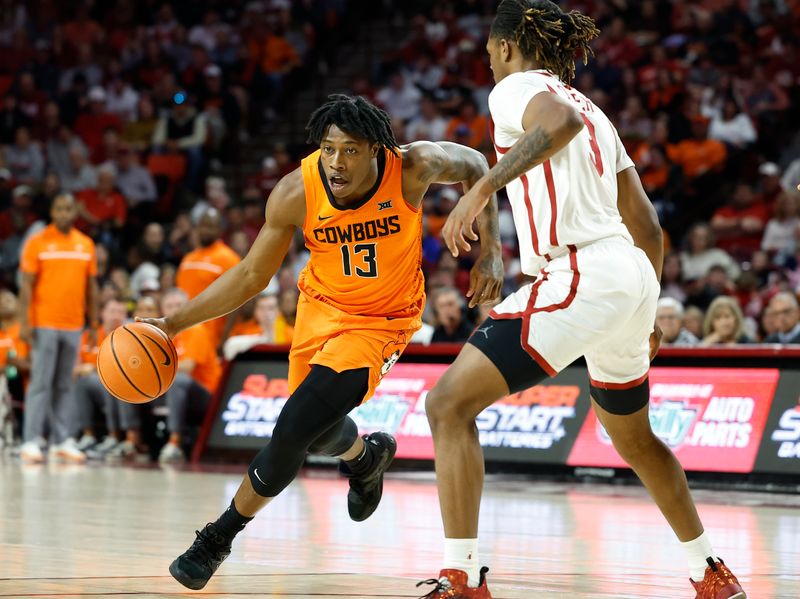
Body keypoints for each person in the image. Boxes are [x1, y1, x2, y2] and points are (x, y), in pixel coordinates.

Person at [418, 3, 746, 599]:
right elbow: (647, 225)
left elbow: (558, 124)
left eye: (490, 54)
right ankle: (710, 573)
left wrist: (481, 189)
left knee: (447, 405)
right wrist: (645, 310)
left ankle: (462, 577)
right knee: (636, 440)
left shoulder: (520, 90)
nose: (489, 66)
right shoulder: (599, 113)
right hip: (629, 274)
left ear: (509, 47)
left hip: (581, 272)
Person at [138, 94, 503, 590]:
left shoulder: (413, 167)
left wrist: (490, 253)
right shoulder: (296, 192)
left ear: (377, 149)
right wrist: (173, 322)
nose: (336, 162)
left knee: (292, 427)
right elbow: (250, 275)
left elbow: (479, 164)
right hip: (320, 310)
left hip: (382, 320)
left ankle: (218, 537)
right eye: (329, 149)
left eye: (350, 150)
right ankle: (366, 458)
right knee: (315, 428)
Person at [18, 193, 98, 463]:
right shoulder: (37, 242)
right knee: (41, 382)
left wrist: (94, 322)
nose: (64, 213)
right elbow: (26, 285)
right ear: (52, 212)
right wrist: (25, 322)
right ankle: (31, 440)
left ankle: (61, 440)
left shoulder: (85, 244)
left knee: (65, 384)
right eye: (59, 208)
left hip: (74, 323)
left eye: (69, 208)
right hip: (44, 322)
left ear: (75, 211)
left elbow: (92, 287)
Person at [73, 298, 143, 459]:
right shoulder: (89, 335)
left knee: (117, 380)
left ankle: (119, 437)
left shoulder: (130, 335)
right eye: (112, 311)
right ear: (102, 314)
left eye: (121, 312)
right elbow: (74, 369)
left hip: (124, 386)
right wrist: (83, 369)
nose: (116, 316)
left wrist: (95, 368)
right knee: (82, 382)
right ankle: (88, 435)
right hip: (95, 387)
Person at [157, 288, 221, 464]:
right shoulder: (162, 334)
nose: (174, 310)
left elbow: (187, 367)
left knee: (178, 380)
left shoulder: (196, 329)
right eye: (169, 306)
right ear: (162, 310)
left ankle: (174, 443)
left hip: (207, 396)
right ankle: (132, 441)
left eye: (179, 305)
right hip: (174, 391)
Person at [175, 207, 240, 347]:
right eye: (203, 226)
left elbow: (238, 300)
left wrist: (223, 338)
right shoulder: (188, 258)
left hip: (212, 336)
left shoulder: (228, 258)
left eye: (211, 226)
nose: (206, 230)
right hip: (185, 334)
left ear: (220, 230)